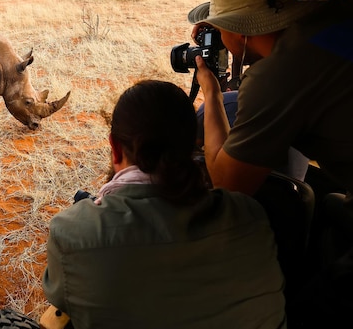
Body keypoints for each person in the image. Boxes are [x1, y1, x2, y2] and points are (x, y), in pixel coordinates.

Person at [41, 79, 286, 329]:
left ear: (115, 148)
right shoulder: (251, 215)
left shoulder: (72, 233)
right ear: (195, 145)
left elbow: (62, 298)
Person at [190, 0, 353, 327]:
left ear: (238, 31)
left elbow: (228, 184)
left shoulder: (278, 75)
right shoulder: (336, 15)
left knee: (308, 313)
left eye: (220, 26)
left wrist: (211, 93)